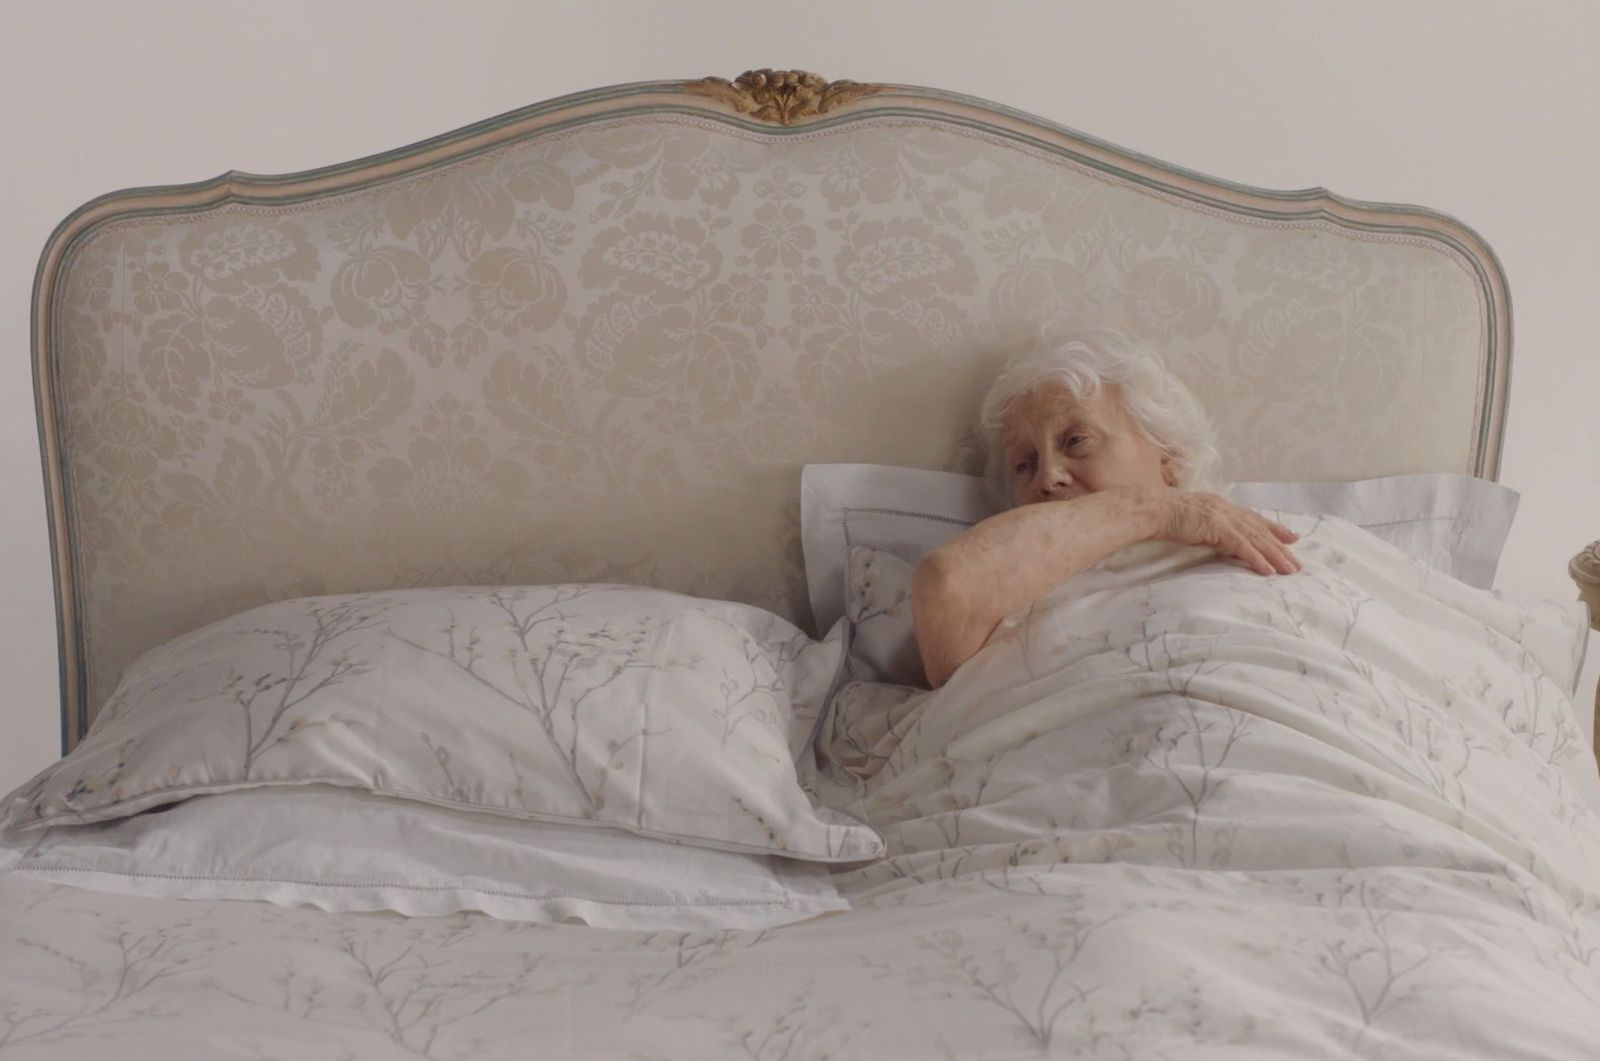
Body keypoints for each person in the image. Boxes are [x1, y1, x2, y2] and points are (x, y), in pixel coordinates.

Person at [911, 330, 1302, 689]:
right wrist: (1149, 509)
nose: (1047, 477)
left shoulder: (1310, 538)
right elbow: (946, 584)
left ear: (1168, 454)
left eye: (1077, 441)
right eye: (1023, 464)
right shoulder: (1007, 592)